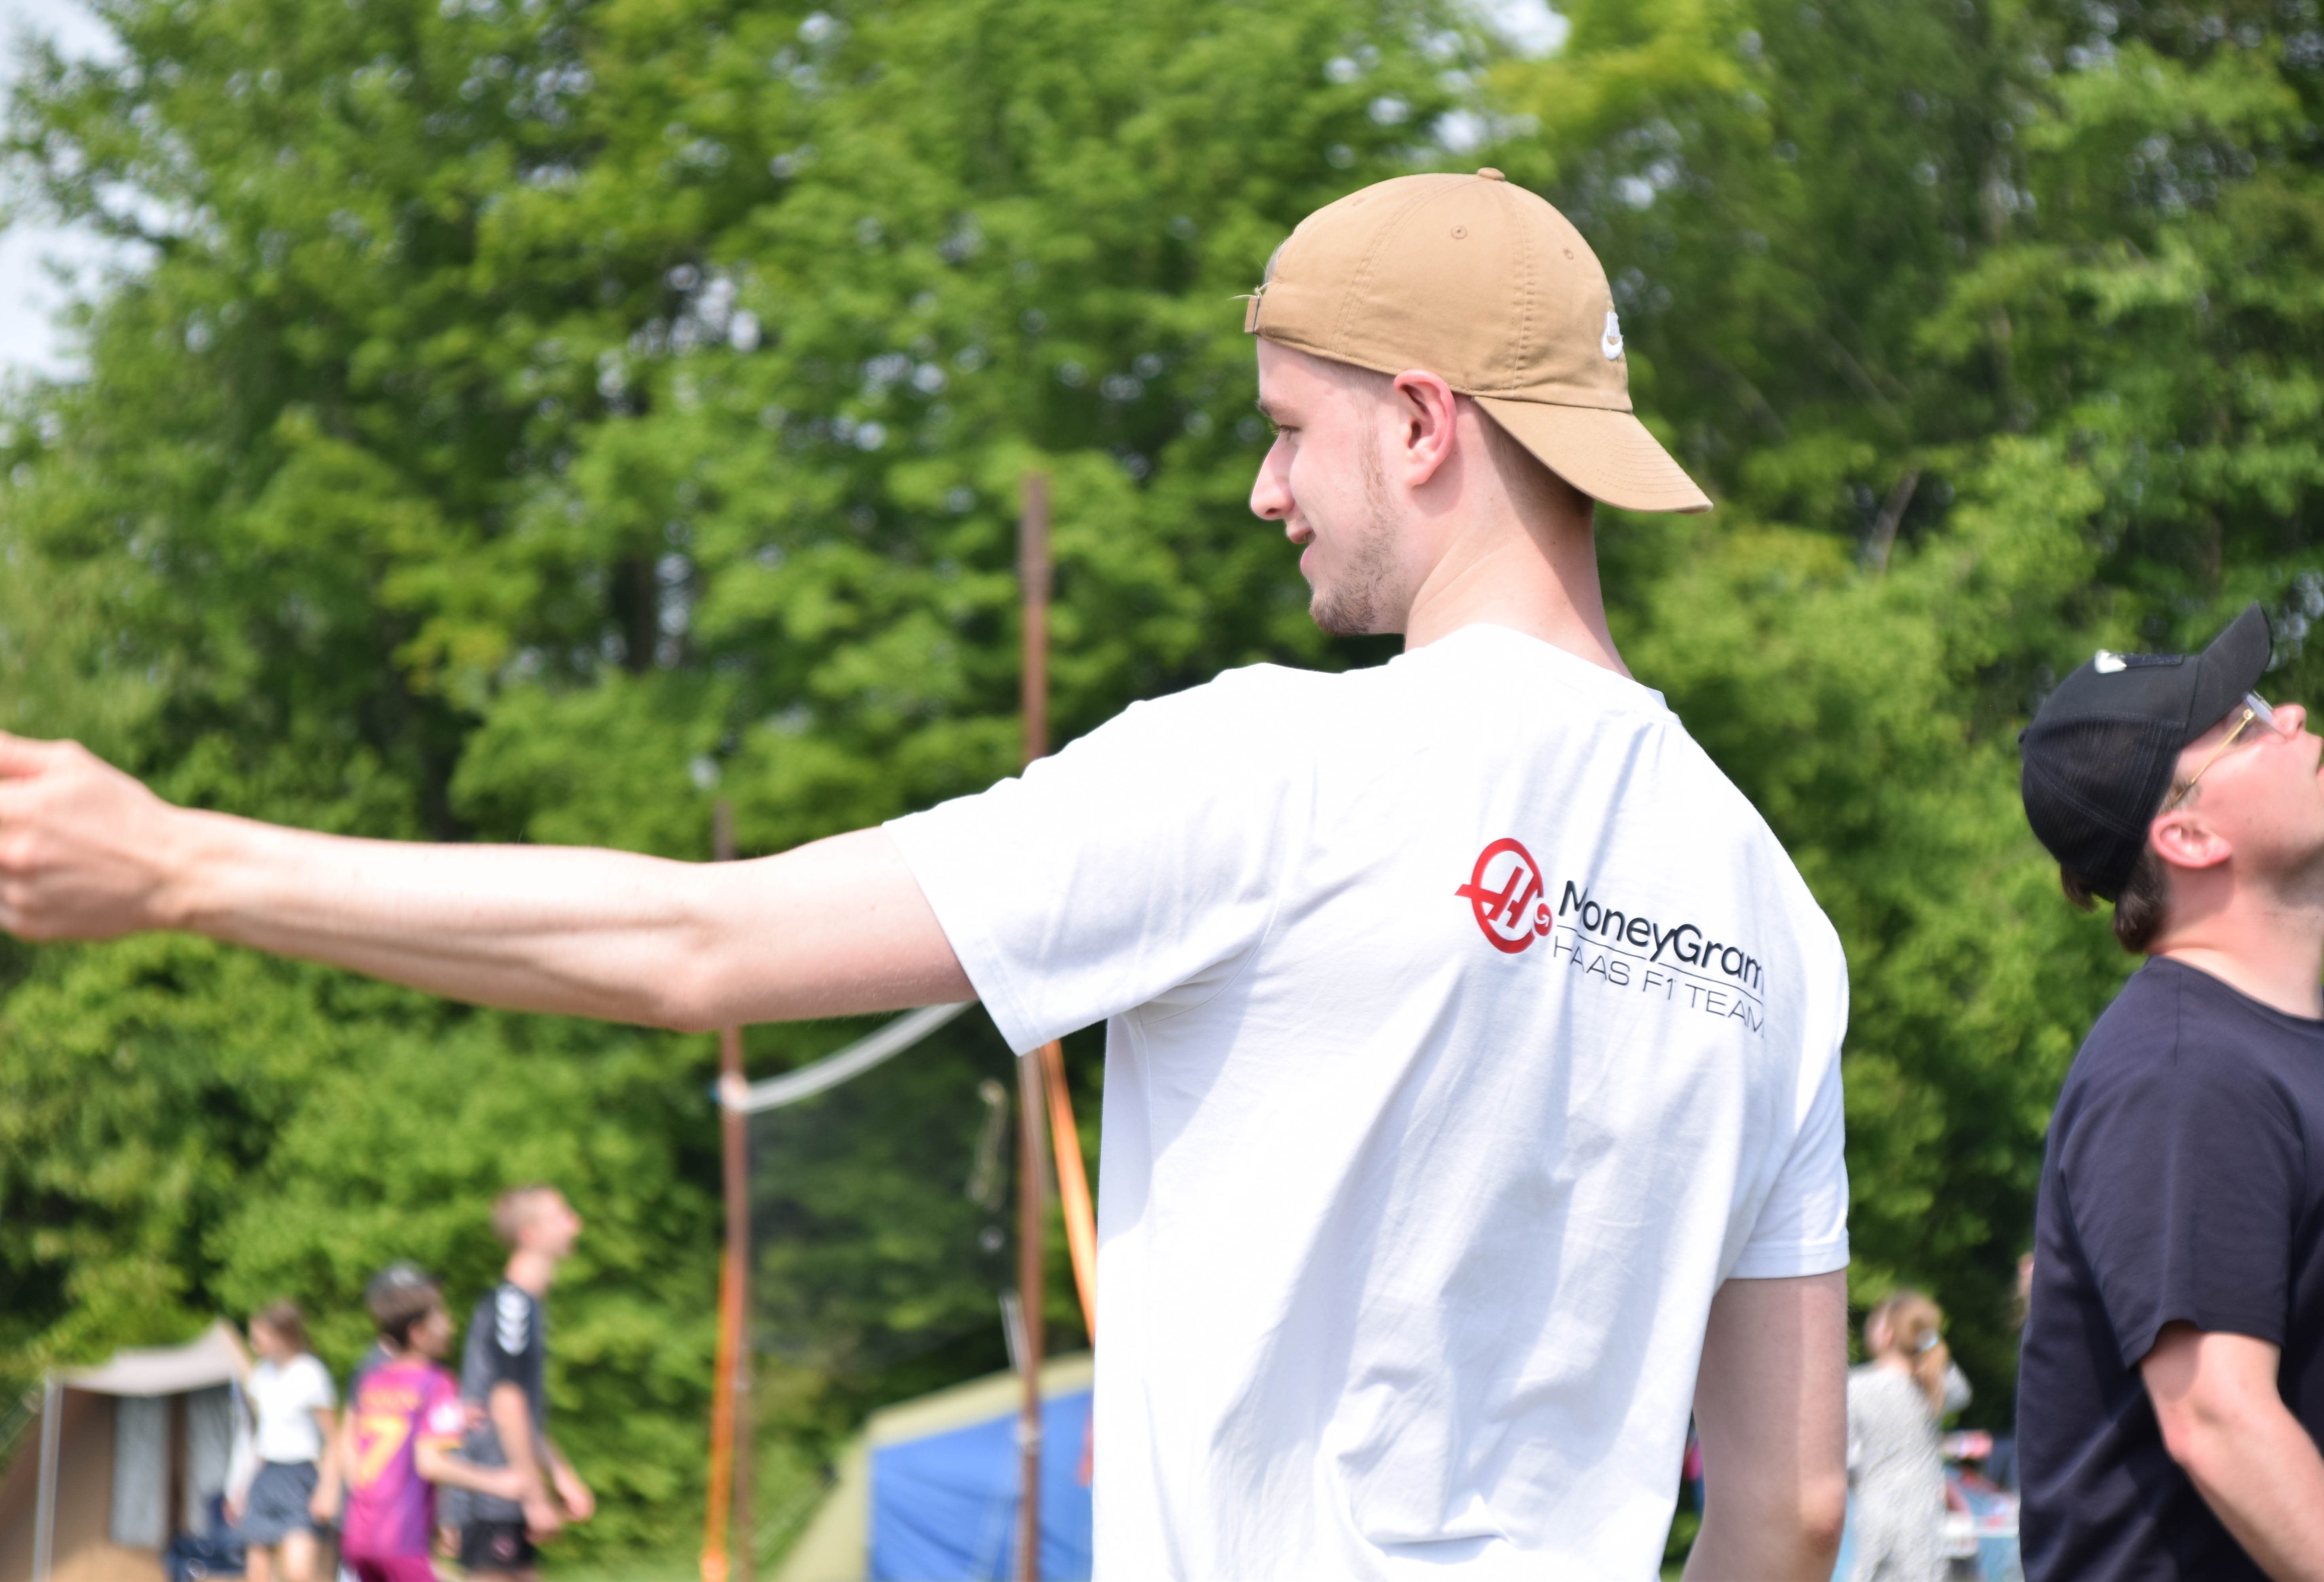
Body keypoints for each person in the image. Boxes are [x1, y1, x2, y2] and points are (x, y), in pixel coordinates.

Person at [0, 170, 1852, 1576]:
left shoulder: (1280, 768)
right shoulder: (1771, 913)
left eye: (1290, 427)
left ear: (1426, 421)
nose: (1264, 490)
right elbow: (1788, 1505)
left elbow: (698, 944)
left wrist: (179, 861)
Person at [2014, 604, 2324, 1580]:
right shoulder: (2180, 1072)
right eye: (2246, 723)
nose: (2291, 715)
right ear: (2187, 833)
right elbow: (2219, 1416)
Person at [341, 1264, 525, 1582]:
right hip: (401, 1538)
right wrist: (498, 1482)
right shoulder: (435, 1382)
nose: (451, 1324)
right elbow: (430, 1463)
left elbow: (357, 1445)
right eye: (441, 1316)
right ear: (419, 1333)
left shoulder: (374, 1381)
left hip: (360, 1536)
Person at [453, 1186, 593, 1579]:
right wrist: (534, 1496)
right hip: (496, 1488)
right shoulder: (512, 1305)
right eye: (562, 1216)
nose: (575, 1224)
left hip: (509, 1487)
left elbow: (523, 1412)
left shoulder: (525, 1304)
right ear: (529, 1234)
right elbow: (506, 1405)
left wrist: (561, 1474)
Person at [1846, 1292, 1966, 1582]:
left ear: (1887, 1335)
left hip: (1877, 1509)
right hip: (1924, 1513)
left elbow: (1846, 1455)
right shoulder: (1932, 1388)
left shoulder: (1857, 1387)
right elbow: (1962, 1392)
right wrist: (1930, 1341)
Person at [223, 1300, 336, 1582]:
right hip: (266, 1475)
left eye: (259, 1336)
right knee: (257, 1574)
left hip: (301, 1476)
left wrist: (328, 1489)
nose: (254, 1343)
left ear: (283, 1335)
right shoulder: (260, 1376)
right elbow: (252, 1439)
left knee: (298, 1573)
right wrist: (238, 1487)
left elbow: (333, 1440)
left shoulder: (311, 1374)